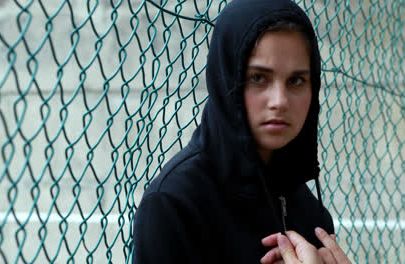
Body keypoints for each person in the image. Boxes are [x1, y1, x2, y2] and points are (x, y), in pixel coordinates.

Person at [132, 0, 350, 263]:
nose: (279, 101)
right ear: (227, 77)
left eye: (296, 80)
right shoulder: (173, 205)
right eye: (259, 77)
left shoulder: (310, 213)